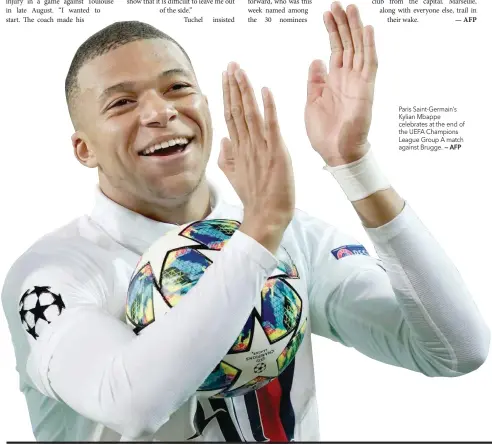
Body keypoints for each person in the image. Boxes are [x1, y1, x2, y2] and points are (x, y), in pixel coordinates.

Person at [2, 2, 489, 442]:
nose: (160, 111)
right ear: (83, 148)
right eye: (121, 102)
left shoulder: (286, 232)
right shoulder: (52, 274)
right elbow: (132, 403)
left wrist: (353, 165)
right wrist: (258, 235)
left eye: (177, 87)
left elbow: (455, 349)